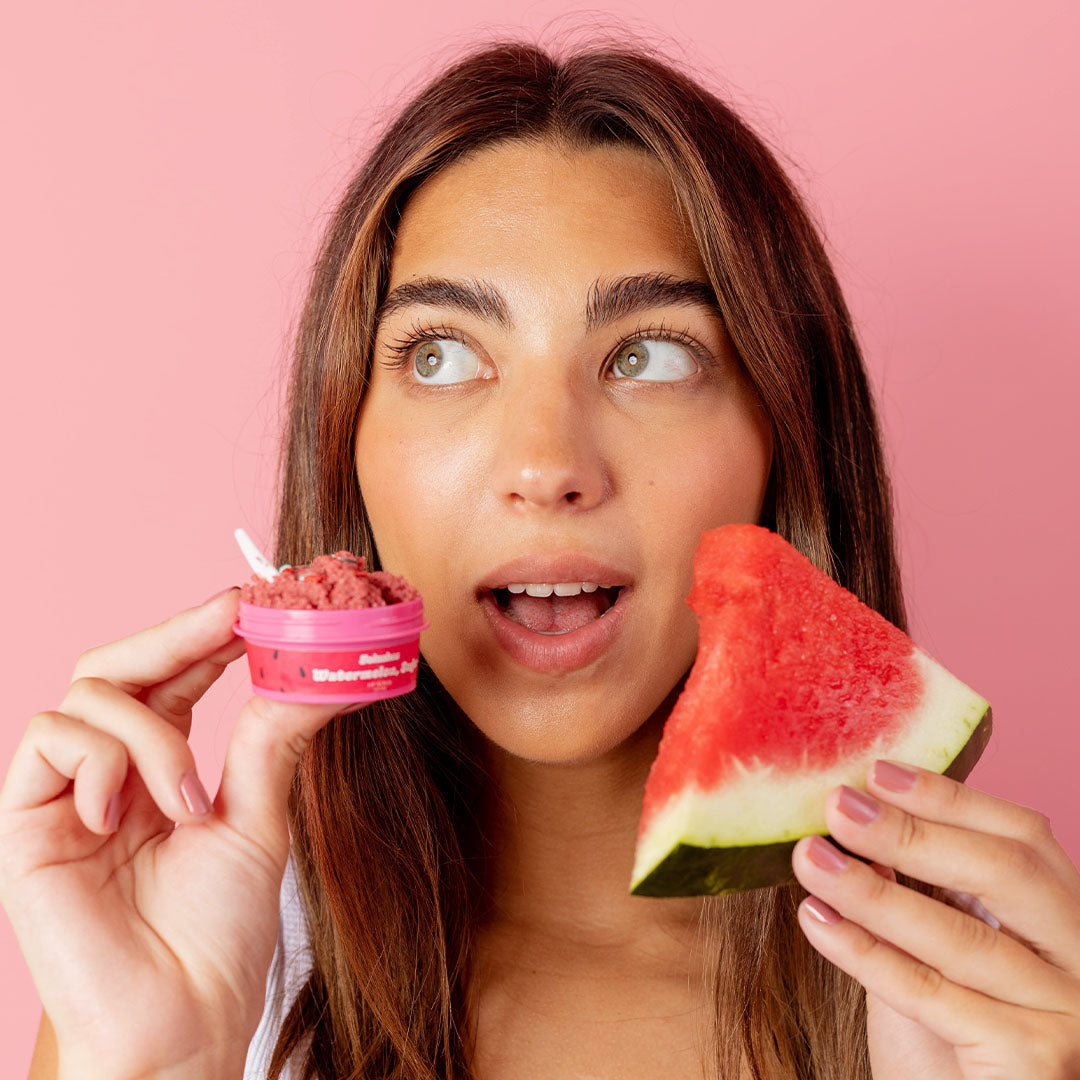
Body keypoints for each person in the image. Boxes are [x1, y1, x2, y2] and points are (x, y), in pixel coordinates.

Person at [3, 34, 1079, 1080]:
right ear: (348, 443)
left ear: (779, 438)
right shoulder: (203, 966)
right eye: (441, 355)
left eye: (650, 356)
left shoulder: (980, 1009)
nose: (546, 463)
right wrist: (148, 1064)